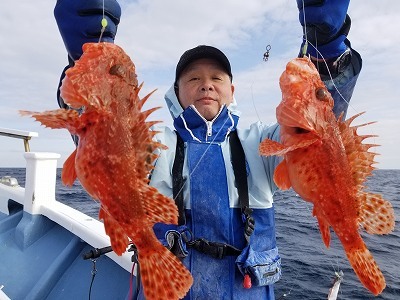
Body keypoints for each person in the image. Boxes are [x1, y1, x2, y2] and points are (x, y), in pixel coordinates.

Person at [54, 0, 362, 299]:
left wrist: (327, 48)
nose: (206, 85)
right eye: (193, 79)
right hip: (168, 289)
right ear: (176, 92)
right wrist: (85, 62)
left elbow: (319, 121)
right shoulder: (155, 144)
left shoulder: (262, 141)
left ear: (232, 90)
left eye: (217, 78)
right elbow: (102, 143)